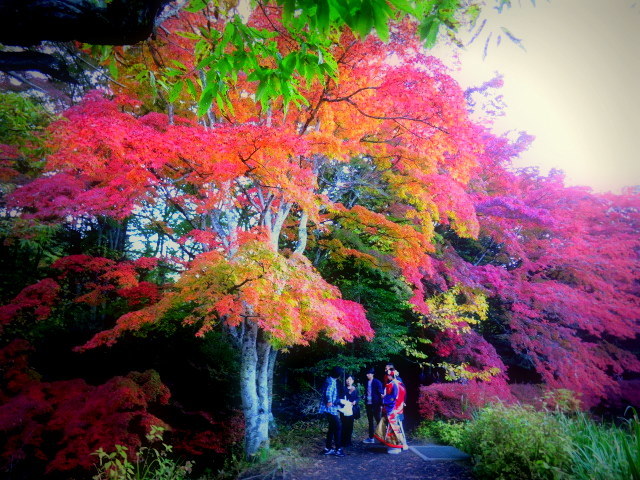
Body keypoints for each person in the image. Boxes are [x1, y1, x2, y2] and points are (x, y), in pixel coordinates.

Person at [374, 366, 408, 454]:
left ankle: (395, 446)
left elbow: (393, 397)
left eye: (387, 375)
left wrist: (383, 400)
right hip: (398, 408)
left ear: (390, 376)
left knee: (393, 428)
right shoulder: (400, 384)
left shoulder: (392, 384)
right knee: (397, 427)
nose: (387, 377)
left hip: (392, 408)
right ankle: (401, 444)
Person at [319, 366, 345, 457]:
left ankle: (328, 448)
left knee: (332, 428)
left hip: (330, 409)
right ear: (338, 374)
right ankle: (338, 449)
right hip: (330, 409)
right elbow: (328, 392)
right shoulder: (331, 381)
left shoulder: (329, 379)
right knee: (338, 427)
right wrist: (329, 401)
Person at [362, 367, 383, 444]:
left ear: (372, 374)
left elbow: (381, 394)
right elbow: (366, 392)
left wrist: (381, 404)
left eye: (369, 374)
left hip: (376, 404)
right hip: (368, 404)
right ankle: (371, 437)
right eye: (367, 374)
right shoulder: (366, 382)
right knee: (370, 421)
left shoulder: (377, 382)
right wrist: (364, 396)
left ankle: (381, 437)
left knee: (378, 420)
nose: (367, 375)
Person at [339, 375, 359, 448]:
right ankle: (342, 441)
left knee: (350, 426)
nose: (348, 381)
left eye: (350, 379)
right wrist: (350, 392)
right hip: (344, 410)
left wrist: (355, 402)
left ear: (353, 381)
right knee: (344, 425)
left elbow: (357, 398)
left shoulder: (355, 389)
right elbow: (342, 399)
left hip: (351, 410)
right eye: (347, 379)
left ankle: (348, 441)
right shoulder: (343, 389)